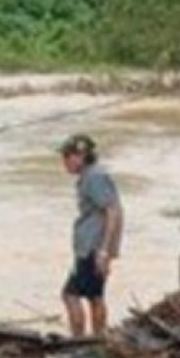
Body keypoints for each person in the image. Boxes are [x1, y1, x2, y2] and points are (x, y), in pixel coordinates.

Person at [59, 134, 123, 337]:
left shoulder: (94, 177)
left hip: (92, 248)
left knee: (70, 294)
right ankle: (98, 338)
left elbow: (113, 211)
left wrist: (104, 250)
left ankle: (78, 340)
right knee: (95, 295)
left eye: (67, 157)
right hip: (95, 247)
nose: (65, 163)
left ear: (80, 156)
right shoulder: (92, 175)